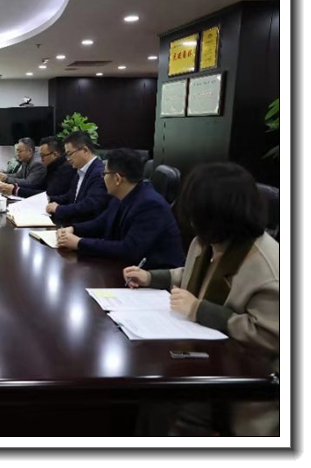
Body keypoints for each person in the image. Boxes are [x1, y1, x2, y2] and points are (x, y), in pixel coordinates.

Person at [124, 162, 278, 436]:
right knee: (147, 386)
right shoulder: (208, 240)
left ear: (219, 215)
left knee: (167, 400)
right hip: (202, 354)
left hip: (246, 380)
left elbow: (269, 336)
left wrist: (199, 309)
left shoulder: (267, 265)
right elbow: (192, 273)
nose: (192, 222)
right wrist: (150, 277)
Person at [54, 148, 184, 269]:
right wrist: (73, 229)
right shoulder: (122, 194)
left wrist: (79, 243)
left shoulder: (151, 205)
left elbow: (129, 249)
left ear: (117, 179)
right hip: (127, 268)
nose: (103, 178)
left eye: (104, 174)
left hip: (155, 276)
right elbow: (102, 222)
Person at [46, 130, 110, 224]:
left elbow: (90, 205)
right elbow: (70, 197)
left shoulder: (99, 172)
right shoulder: (80, 170)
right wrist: (48, 199)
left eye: (70, 154)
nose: (68, 159)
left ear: (85, 150)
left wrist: (59, 209)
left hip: (85, 227)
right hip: (72, 223)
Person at [0, 137, 75, 198]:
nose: (41, 159)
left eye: (43, 155)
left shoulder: (65, 170)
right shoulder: (51, 166)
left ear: (55, 154)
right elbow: (38, 185)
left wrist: (16, 190)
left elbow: (47, 194)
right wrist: (14, 187)